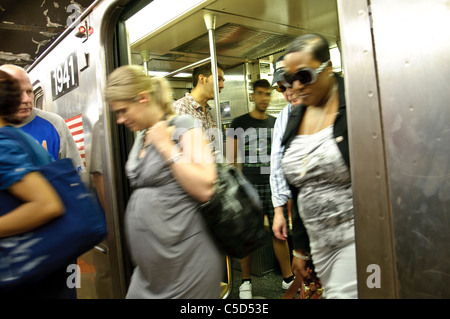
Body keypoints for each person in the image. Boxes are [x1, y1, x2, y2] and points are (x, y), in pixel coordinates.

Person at [104, 65, 223, 298]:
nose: (119, 120)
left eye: (123, 111)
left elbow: (206, 186)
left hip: (187, 264)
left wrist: (166, 146)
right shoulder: (141, 136)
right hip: (151, 271)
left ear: (142, 98)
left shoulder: (184, 126)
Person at [279, 34, 357, 298]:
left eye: (305, 75)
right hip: (320, 245)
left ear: (328, 68)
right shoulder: (296, 113)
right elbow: (300, 190)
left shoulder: (356, 104)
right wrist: (300, 248)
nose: (297, 86)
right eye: (289, 80)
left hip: (356, 240)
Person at [0, 70, 66, 298]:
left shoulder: (4, 143)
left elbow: (47, 205)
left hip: (30, 266)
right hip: (45, 259)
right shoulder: (19, 137)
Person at [227, 79, 294, 299]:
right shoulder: (239, 122)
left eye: (267, 94)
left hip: (272, 185)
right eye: (260, 93)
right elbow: (231, 159)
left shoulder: (276, 123)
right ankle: (245, 282)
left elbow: (282, 156)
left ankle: (287, 279)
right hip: (249, 185)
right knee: (247, 235)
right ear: (252, 96)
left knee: (280, 232)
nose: (264, 98)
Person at [0, 64, 85, 174]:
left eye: (29, 92)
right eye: (18, 93)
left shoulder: (54, 123)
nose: (26, 99)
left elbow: (73, 176)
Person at [172, 63, 225, 142]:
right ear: (202, 79)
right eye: (218, 79)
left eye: (222, 81)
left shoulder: (207, 111)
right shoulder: (182, 107)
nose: (222, 85)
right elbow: (179, 148)